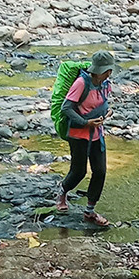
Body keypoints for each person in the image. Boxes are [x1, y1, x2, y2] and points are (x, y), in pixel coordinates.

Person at [56, 50, 115, 226]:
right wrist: (85, 122)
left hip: (97, 134)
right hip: (78, 134)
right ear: (104, 70)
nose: (108, 73)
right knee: (79, 171)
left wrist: (107, 112)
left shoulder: (106, 84)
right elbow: (66, 108)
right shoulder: (81, 83)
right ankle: (62, 191)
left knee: (100, 171)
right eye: (107, 70)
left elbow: (103, 104)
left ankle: (90, 211)